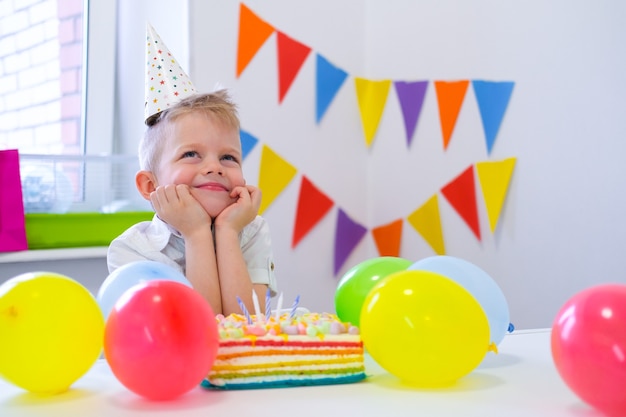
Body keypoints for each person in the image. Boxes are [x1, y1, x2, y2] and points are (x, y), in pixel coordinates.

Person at [107, 90, 277, 316]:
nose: (215, 167)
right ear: (150, 185)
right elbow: (198, 328)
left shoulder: (252, 230)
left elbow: (248, 323)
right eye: (191, 154)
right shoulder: (132, 249)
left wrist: (227, 231)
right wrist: (196, 233)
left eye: (228, 158)